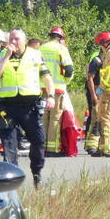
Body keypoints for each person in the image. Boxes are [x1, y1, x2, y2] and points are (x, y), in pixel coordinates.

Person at [0, 29, 55, 188]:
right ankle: (12, 183)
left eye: (16, 39)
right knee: (9, 145)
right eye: (11, 39)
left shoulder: (35, 54)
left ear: (24, 41)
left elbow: (47, 77)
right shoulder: (1, 55)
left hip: (29, 106)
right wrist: (7, 56)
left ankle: (37, 173)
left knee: (39, 140)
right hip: (8, 107)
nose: (13, 42)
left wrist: (51, 95)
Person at [40, 27, 75, 156]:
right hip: (57, 88)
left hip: (41, 88)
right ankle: (52, 149)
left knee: (43, 118)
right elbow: (69, 69)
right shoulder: (61, 49)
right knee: (55, 118)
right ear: (60, 37)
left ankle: (41, 147)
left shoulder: (41, 48)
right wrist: (66, 80)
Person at [84, 46, 103, 154]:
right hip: (94, 91)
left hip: (98, 90)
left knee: (95, 117)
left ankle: (92, 143)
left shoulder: (102, 59)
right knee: (94, 117)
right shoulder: (96, 60)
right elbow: (90, 79)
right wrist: (95, 96)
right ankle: (91, 144)